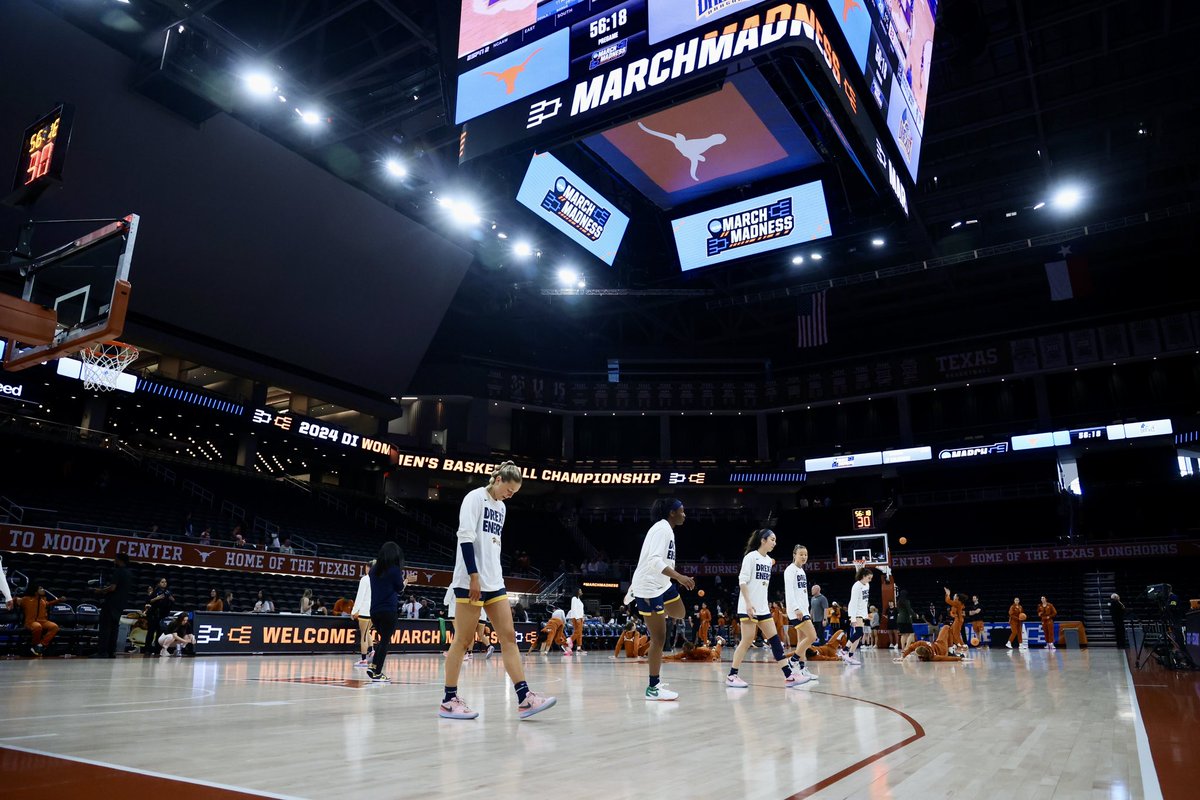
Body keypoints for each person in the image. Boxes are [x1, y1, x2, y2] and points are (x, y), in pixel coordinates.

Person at [440, 462, 556, 720]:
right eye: (509, 489)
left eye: (515, 492)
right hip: (471, 580)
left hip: (494, 582)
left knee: (509, 637)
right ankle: (449, 700)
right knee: (464, 640)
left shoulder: (501, 508)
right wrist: (473, 577)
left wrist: (492, 577)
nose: (510, 495)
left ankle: (524, 697)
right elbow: (466, 538)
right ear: (498, 479)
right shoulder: (474, 498)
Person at [628, 498, 695, 701]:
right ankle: (653, 687)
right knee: (659, 638)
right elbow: (654, 560)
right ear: (672, 513)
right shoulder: (661, 529)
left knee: (680, 612)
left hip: (662, 584)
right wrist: (679, 577)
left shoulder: (667, 529)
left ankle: (657, 612)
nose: (684, 514)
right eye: (682, 511)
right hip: (648, 587)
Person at [726, 529, 811, 689]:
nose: (775, 542)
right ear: (763, 540)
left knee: (775, 640)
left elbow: (764, 576)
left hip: (763, 608)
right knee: (747, 640)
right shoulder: (750, 557)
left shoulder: (767, 561)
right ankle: (732, 675)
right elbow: (742, 582)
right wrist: (749, 604)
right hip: (748, 606)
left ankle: (789, 676)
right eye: (772, 539)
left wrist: (770, 561)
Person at [365, 542, 407, 682]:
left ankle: (373, 666)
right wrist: (405, 582)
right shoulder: (394, 569)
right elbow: (400, 588)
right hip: (388, 610)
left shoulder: (373, 570)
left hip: (374, 610)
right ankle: (377, 672)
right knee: (384, 641)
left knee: (382, 640)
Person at [782, 544, 819, 683]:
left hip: (804, 610)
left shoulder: (802, 571)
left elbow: (802, 593)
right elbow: (790, 592)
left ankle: (802, 668)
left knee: (802, 641)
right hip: (796, 611)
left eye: (805, 554)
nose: (804, 557)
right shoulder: (790, 570)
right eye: (801, 554)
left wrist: (806, 608)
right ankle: (793, 661)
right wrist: (796, 608)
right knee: (812, 636)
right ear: (794, 555)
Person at [91, 552, 133, 658]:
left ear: (119, 560)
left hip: (111, 603)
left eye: (115, 559)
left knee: (105, 628)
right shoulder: (129, 573)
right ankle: (111, 652)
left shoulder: (118, 571)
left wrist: (100, 590)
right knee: (114, 628)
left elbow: (113, 588)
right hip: (120, 603)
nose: (114, 561)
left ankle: (102, 652)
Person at [17, 583, 64, 656]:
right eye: (41, 588)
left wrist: (59, 600)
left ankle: (40, 645)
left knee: (54, 627)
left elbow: (48, 603)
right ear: (35, 591)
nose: (43, 590)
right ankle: (34, 645)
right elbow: (15, 600)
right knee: (37, 626)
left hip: (43, 621)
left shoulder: (43, 600)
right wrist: (10, 601)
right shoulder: (26, 599)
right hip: (30, 622)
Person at [841, 567, 873, 666]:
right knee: (859, 632)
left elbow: (864, 602)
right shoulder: (856, 586)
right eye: (868, 578)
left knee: (858, 637)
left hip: (861, 614)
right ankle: (844, 650)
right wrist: (852, 617)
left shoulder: (867, 585)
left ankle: (850, 656)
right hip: (856, 613)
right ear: (863, 577)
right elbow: (853, 603)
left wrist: (865, 614)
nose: (870, 580)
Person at [895, 625, 967, 663]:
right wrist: (902, 657)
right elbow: (911, 648)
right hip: (939, 646)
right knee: (946, 627)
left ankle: (950, 650)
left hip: (941, 647)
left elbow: (946, 658)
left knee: (947, 627)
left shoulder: (921, 645)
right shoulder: (931, 655)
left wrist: (961, 659)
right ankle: (951, 649)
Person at [351, 560, 375, 669]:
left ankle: (364, 660)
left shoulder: (365, 579)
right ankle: (372, 650)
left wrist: (354, 611)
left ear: (368, 567)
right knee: (367, 632)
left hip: (365, 611)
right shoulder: (378, 579)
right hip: (374, 611)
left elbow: (360, 596)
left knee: (364, 635)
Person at [142, 577, 174, 656]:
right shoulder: (155, 591)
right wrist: (157, 598)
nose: (164, 583)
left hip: (162, 615)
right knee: (151, 633)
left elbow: (172, 600)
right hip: (153, 615)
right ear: (159, 583)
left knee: (160, 633)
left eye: (165, 582)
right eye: (162, 582)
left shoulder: (167, 592)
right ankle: (147, 650)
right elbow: (149, 601)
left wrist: (172, 599)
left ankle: (157, 650)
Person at [944, 587, 966, 651]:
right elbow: (953, 612)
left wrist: (948, 594)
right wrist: (953, 614)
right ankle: (956, 645)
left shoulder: (957, 603)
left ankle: (962, 645)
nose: (954, 596)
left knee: (956, 634)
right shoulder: (957, 603)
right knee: (951, 631)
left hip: (958, 619)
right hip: (958, 619)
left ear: (957, 598)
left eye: (955, 595)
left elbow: (947, 600)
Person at [568, 589, 586, 654]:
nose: (581, 592)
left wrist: (583, 617)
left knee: (580, 633)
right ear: (577, 592)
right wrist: (577, 618)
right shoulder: (574, 598)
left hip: (580, 618)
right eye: (580, 591)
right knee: (577, 632)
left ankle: (579, 648)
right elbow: (574, 609)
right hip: (576, 618)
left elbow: (581, 610)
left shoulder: (578, 599)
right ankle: (567, 642)